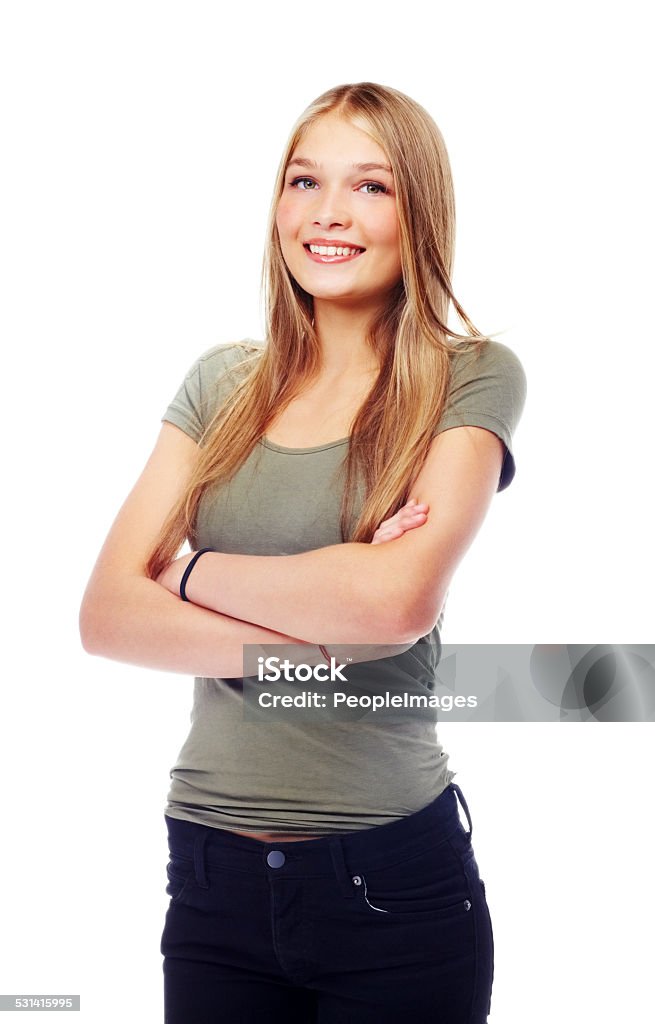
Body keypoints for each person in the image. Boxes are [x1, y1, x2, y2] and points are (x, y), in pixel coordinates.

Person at [80, 81, 526, 1023]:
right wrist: (309, 645)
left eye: (371, 186)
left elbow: (393, 607)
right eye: (303, 181)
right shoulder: (221, 384)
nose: (328, 214)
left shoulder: (470, 377)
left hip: (392, 882)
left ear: (420, 211)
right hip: (209, 873)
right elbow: (108, 615)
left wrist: (190, 575)